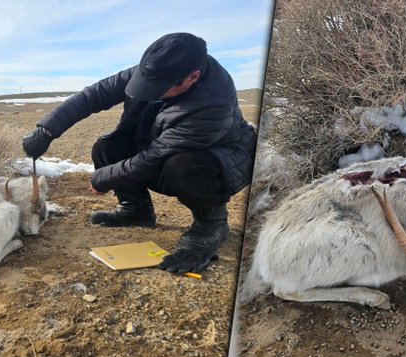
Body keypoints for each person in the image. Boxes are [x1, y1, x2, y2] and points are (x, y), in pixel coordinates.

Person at [21, 32, 256, 275]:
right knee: (108, 148)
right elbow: (95, 95)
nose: (149, 92)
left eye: (158, 89)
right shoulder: (157, 69)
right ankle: (137, 211)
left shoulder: (213, 102)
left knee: (184, 166)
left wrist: (103, 178)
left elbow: (155, 157)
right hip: (165, 150)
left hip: (220, 162)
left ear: (192, 78)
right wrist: (47, 130)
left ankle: (212, 226)